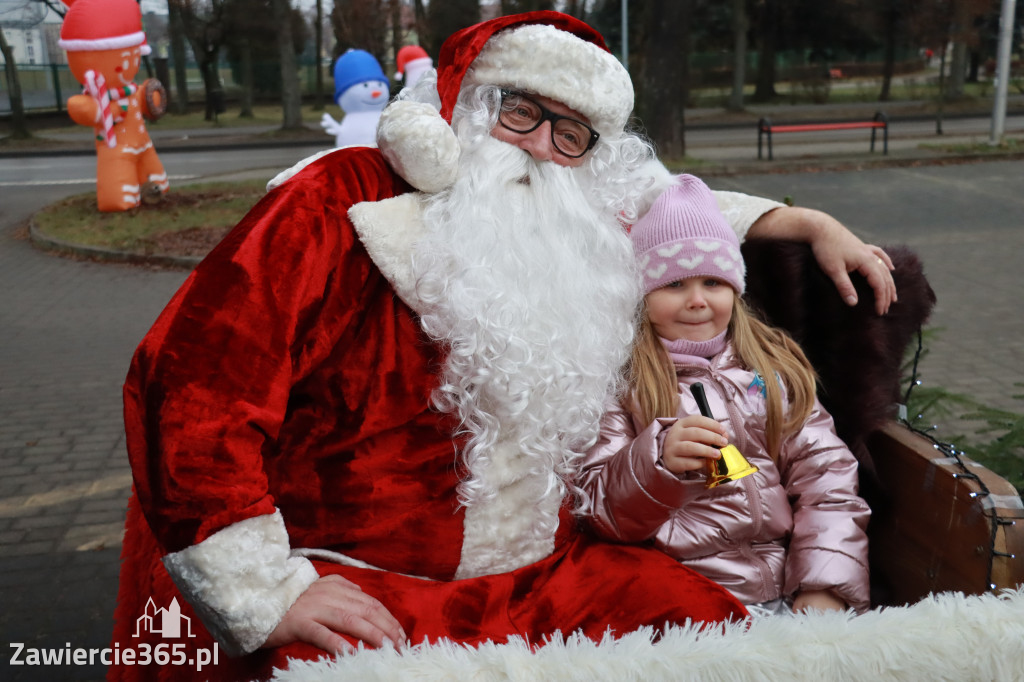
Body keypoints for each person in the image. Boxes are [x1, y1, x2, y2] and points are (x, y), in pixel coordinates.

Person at [110, 12, 889, 681]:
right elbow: (192, 380)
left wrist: (809, 222)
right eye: (521, 113)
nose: (543, 149)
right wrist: (268, 590)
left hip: (549, 572)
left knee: (727, 644)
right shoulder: (344, 198)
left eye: (572, 132)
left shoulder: (583, 221)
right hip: (364, 575)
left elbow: (679, 210)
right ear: (464, 112)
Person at [580, 174, 871, 617]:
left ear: (735, 289)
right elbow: (599, 508)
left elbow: (827, 480)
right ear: (640, 296)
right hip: (683, 594)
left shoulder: (770, 370)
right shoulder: (624, 384)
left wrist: (823, 584)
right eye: (674, 285)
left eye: (713, 283)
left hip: (790, 582)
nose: (697, 301)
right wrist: (656, 461)